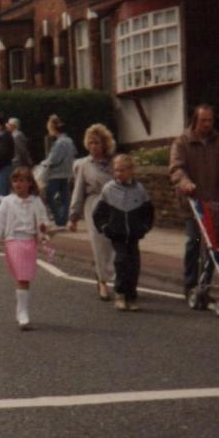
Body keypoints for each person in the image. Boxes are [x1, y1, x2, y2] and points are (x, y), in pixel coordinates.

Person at [169, 104, 219, 299]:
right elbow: (176, 168)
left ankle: (204, 286)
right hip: (192, 202)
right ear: (195, 120)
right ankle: (190, 285)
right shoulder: (182, 142)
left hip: (215, 201)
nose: (207, 124)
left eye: (210, 120)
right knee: (193, 242)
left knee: (212, 246)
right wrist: (185, 183)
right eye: (203, 120)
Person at [0, 166, 50, 330]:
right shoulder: (7, 201)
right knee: (22, 277)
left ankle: (21, 310)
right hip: (13, 242)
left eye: (22, 180)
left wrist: (43, 230)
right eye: (15, 180)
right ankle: (23, 313)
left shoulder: (36, 201)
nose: (18, 184)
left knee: (25, 279)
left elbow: (43, 220)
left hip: (29, 243)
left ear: (29, 183)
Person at [93, 155, 155, 312]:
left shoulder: (139, 190)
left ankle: (131, 296)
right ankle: (120, 294)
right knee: (121, 262)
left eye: (121, 170)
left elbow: (148, 212)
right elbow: (98, 214)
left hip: (133, 236)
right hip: (117, 235)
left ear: (131, 171)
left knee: (134, 265)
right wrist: (106, 228)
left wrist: (144, 227)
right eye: (116, 170)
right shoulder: (108, 189)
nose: (118, 173)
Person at [68, 124, 117, 300]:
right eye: (90, 143)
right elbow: (78, 190)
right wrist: (73, 216)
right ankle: (102, 282)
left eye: (96, 142)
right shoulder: (83, 164)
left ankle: (118, 281)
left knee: (115, 242)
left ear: (104, 143)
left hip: (114, 204)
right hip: (94, 205)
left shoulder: (114, 162)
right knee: (99, 243)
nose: (93, 146)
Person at [42, 115, 76, 228]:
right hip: (66, 172)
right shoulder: (69, 141)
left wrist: (44, 163)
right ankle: (63, 220)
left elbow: (54, 160)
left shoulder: (59, 143)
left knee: (49, 196)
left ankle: (58, 219)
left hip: (56, 173)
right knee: (65, 197)